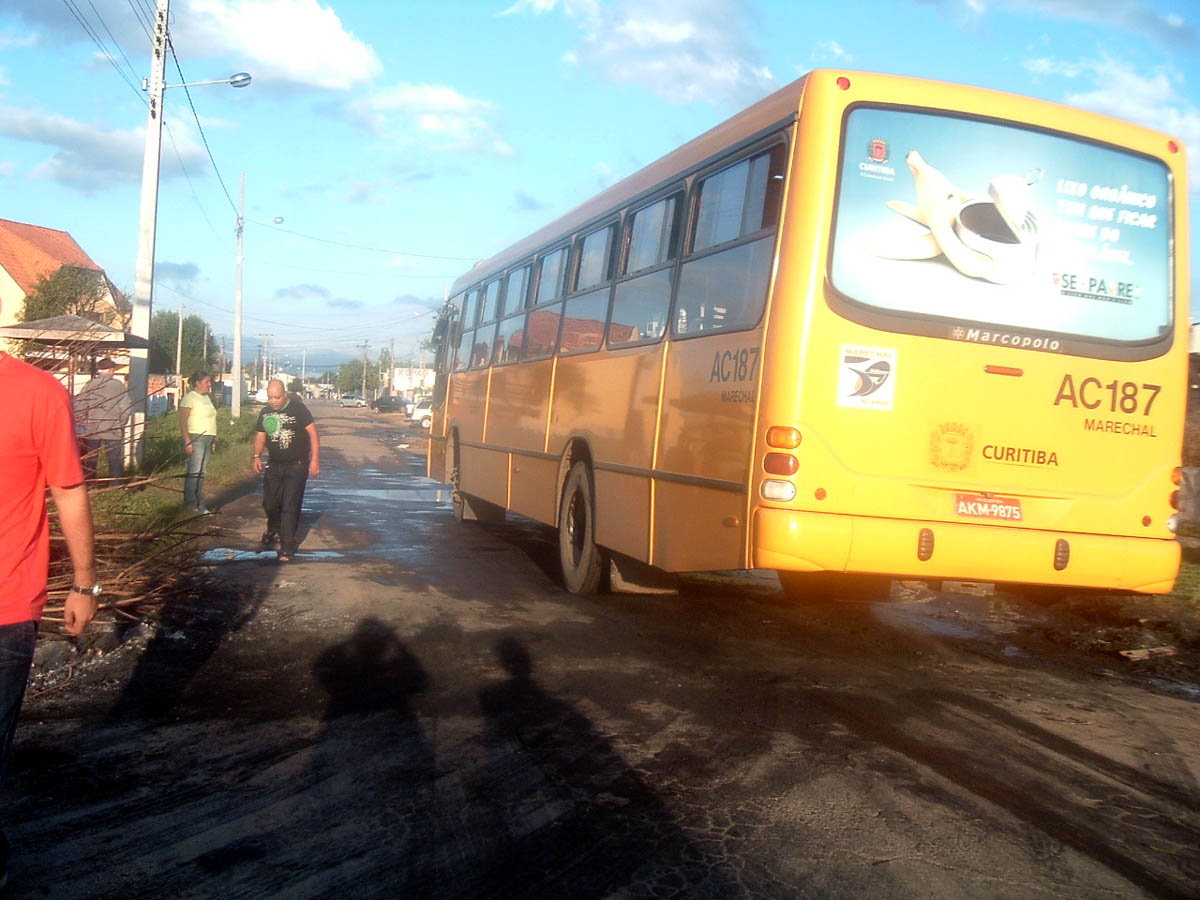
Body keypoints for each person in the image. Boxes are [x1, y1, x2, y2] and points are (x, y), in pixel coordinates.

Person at [0, 343, 99, 888]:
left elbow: (68, 490)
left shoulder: (40, 392)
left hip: (6, 610)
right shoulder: (40, 392)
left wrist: (86, 584)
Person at [252, 379, 320, 562]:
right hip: (274, 465)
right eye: (270, 397)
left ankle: (286, 548)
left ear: (284, 394)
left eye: (277, 397)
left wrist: (314, 460)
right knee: (270, 503)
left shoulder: (298, 410)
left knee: (289, 506)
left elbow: (313, 434)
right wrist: (256, 456)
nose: (273, 401)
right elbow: (260, 436)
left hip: (296, 465)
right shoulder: (265, 412)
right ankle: (274, 528)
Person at [74, 357, 131, 482]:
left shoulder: (90, 385)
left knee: (91, 459)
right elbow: (126, 407)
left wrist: (83, 423)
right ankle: (116, 485)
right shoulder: (118, 385)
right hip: (113, 429)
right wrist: (120, 423)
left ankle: (90, 484)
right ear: (110, 370)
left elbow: (80, 406)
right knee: (114, 459)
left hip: (93, 428)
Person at [178, 371, 217, 514]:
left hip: (208, 438)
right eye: (207, 382)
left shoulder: (207, 398)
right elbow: (182, 421)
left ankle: (200, 504)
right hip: (196, 437)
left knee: (202, 472)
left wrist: (213, 440)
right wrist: (187, 440)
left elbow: (211, 419)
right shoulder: (189, 398)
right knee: (194, 472)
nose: (209, 384)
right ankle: (190, 505)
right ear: (198, 383)